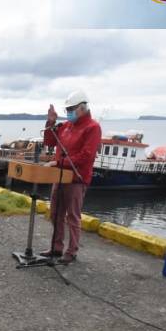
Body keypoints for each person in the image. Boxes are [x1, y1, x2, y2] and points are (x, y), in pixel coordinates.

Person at [42, 89, 102, 264]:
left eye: (71, 109)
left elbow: (86, 155)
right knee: (55, 213)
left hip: (77, 179)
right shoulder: (66, 126)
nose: (68, 113)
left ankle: (72, 250)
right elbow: (49, 141)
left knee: (72, 216)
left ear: (82, 108)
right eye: (67, 110)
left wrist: (59, 163)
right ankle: (56, 247)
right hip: (60, 176)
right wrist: (50, 122)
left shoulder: (93, 127)